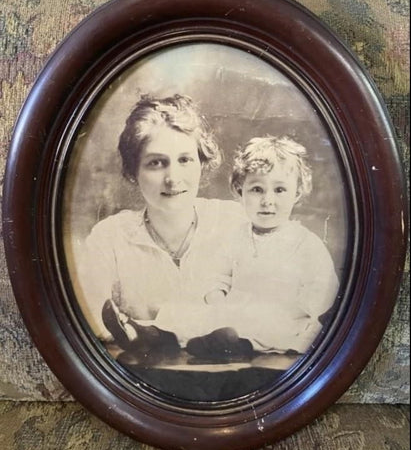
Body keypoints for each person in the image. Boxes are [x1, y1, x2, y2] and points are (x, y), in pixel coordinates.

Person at [74, 93, 249, 358]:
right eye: (156, 163)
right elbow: (90, 319)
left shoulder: (235, 222)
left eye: (185, 160)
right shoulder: (110, 237)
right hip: (142, 379)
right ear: (133, 173)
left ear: (202, 163)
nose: (173, 178)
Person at [183, 135, 340, 356]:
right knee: (187, 311)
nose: (267, 200)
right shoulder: (234, 237)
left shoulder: (305, 243)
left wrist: (296, 311)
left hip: (282, 315)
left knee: (268, 324)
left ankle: (236, 345)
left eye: (279, 190)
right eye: (257, 189)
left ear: (296, 193)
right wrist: (217, 299)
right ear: (240, 191)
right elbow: (217, 275)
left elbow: (322, 289)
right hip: (233, 312)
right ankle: (157, 335)